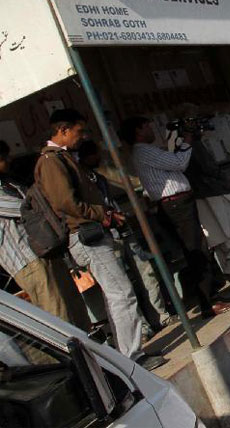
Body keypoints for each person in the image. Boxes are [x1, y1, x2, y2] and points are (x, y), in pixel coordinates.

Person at [37, 110, 164, 368]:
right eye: (78, 131)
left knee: (118, 294)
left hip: (92, 232)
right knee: (122, 295)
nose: (81, 137)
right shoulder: (52, 161)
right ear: (63, 130)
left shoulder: (62, 159)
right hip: (85, 236)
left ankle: (131, 353)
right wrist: (102, 214)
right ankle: (131, 358)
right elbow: (65, 202)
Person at [122, 116, 230, 320]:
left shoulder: (147, 151)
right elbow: (179, 163)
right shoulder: (144, 151)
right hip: (175, 205)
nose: (151, 128)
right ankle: (207, 303)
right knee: (196, 250)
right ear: (138, 130)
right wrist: (186, 140)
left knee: (198, 248)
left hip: (178, 203)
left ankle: (212, 295)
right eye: (147, 125)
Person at [77, 140, 177, 334]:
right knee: (123, 285)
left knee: (146, 272)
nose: (100, 158)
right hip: (105, 235)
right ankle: (143, 328)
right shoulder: (83, 183)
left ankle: (161, 315)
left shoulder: (100, 177)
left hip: (122, 228)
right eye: (97, 154)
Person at [0, 140, 89, 330]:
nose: (7, 162)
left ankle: (95, 353)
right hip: (26, 259)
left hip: (46, 249)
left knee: (74, 305)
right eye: (3, 158)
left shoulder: (9, 182)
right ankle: (78, 358)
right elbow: (26, 209)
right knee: (58, 312)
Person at [184, 137, 230, 285]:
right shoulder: (192, 144)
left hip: (200, 195)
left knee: (219, 237)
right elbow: (209, 167)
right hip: (212, 192)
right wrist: (223, 179)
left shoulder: (176, 145)